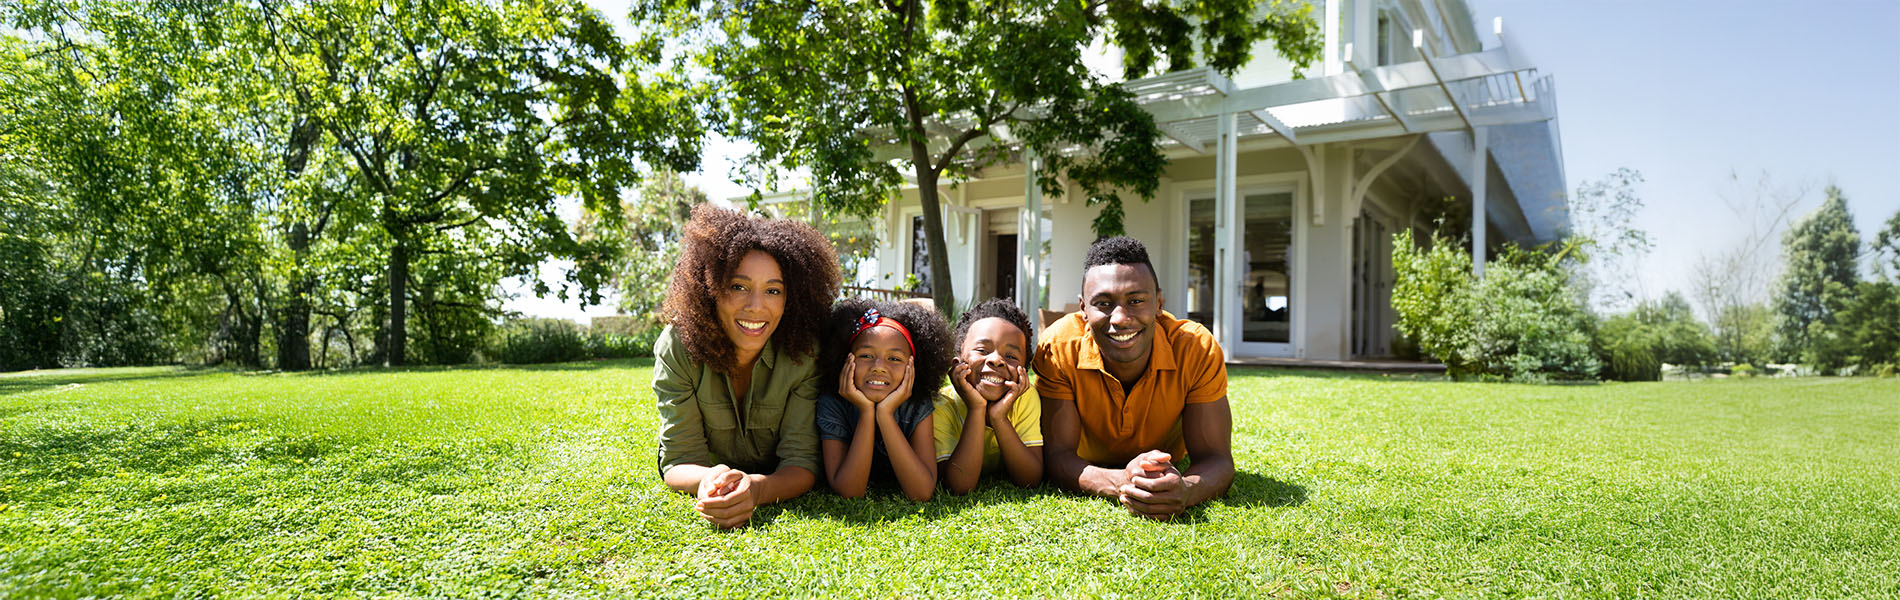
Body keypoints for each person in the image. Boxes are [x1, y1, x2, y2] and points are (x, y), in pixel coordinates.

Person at [652, 205, 841, 528]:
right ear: (709, 288)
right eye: (738, 286)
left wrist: (757, 489)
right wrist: (708, 480)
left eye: (773, 290)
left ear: (790, 299)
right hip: (708, 471)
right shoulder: (678, 347)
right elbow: (679, 461)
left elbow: (801, 464)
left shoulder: (804, 354)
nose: (756, 307)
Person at [1035, 236, 1234, 519]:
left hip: (1167, 464)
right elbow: (1056, 457)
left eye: (1136, 300)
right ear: (1083, 309)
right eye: (1103, 303)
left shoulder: (1195, 348)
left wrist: (1186, 490)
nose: (1120, 318)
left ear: (1158, 303)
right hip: (1090, 464)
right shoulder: (1059, 346)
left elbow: (1216, 459)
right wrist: (1123, 484)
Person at [814, 299, 951, 501]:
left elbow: (921, 492)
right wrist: (867, 412)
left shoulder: (917, 404)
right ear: (845, 359)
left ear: (912, 368)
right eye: (866, 355)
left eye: (894, 359)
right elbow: (850, 491)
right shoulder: (833, 402)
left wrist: (885, 415)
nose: (878, 366)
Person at [935, 298, 1043, 493]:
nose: (996, 360)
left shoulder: (1025, 399)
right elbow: (960, 485)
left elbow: (1030, 480)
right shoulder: (942, 405)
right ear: (957, 360)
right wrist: (977, 409)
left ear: (1023, 371)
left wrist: (999, 418)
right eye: (982, 350)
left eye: (1010, 356)